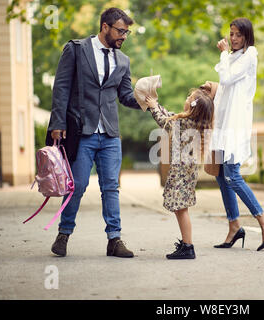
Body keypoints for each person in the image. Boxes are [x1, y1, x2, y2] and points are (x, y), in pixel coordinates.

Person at [46, 8, 141, 258]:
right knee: (76, 185)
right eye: (120, 31)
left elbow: (125, 95)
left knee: (110, 187)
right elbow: (61, 87)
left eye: (127, 32)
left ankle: (114, 240)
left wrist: (145, 98)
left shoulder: (123, 60)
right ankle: (64, 233)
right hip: (82, 130)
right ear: (105, 27)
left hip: (110, 133)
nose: (124, 37)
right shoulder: (76, 49)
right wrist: (58, 122)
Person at [210, 18, 264, 251]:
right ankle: (234, 227)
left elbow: (228, 78)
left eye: (238, 35)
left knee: (232, 176)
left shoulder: (250, 54)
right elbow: (225, 88)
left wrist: (222, 55)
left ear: (247, 36)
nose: (233, 38)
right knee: (221, 175)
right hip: (222, 125)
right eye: (231, 34)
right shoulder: (232, 57)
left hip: (235, 125)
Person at [144, 89, 214, 259]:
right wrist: (155, 103)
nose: (186, 98)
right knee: (180, 209)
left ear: (193, 106)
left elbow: (164, 122)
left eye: (188, 97)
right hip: (186, 172)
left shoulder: (185, 124)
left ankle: (188, 247)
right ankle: (186, 244)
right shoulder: (191, 122)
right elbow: (169, 115)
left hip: (182, 173)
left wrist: (153, 108)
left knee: (181, 210)